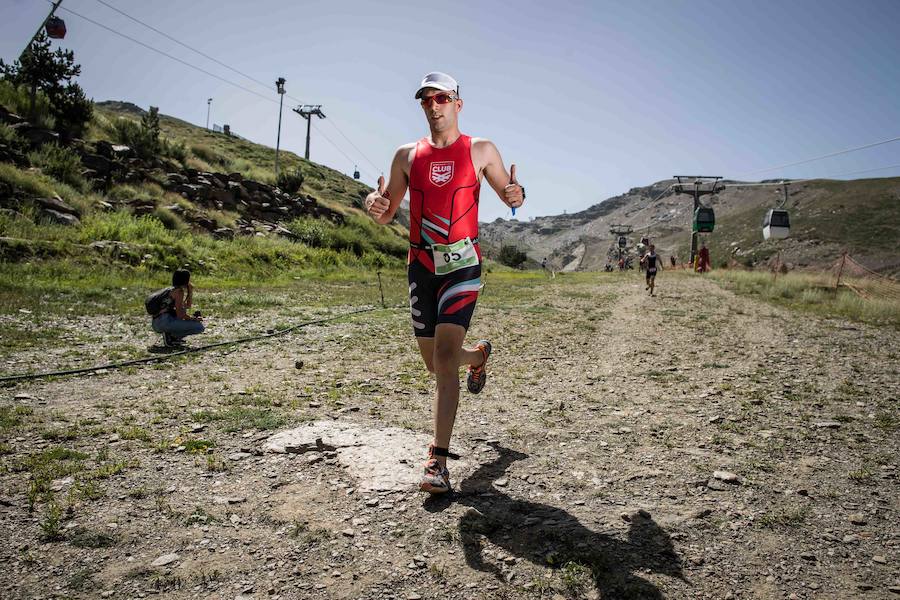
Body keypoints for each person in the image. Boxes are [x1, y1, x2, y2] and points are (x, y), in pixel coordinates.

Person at [364, 72, 524, 494]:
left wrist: (515, 194)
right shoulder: (405, 155)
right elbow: (385, 212)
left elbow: (508, 191)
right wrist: (373, 205)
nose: (434, 106)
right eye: (426, 100)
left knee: (445, 358)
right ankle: (479, 357)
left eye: (442, 98)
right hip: (421, 266)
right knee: (437, 363)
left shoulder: (480, 149)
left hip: (462, 266)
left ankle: (437, 460)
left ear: (458, 103)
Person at [150, 269, 204, 347]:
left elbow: (187, 306)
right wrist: (194, 319)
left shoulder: (171, 290)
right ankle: (172, 337)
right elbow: (180, 315)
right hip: (164, 323)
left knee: (183, 311)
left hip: (156, 323)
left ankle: (171, 337)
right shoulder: (179, 292)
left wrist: (190, 291)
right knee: (199, 327)